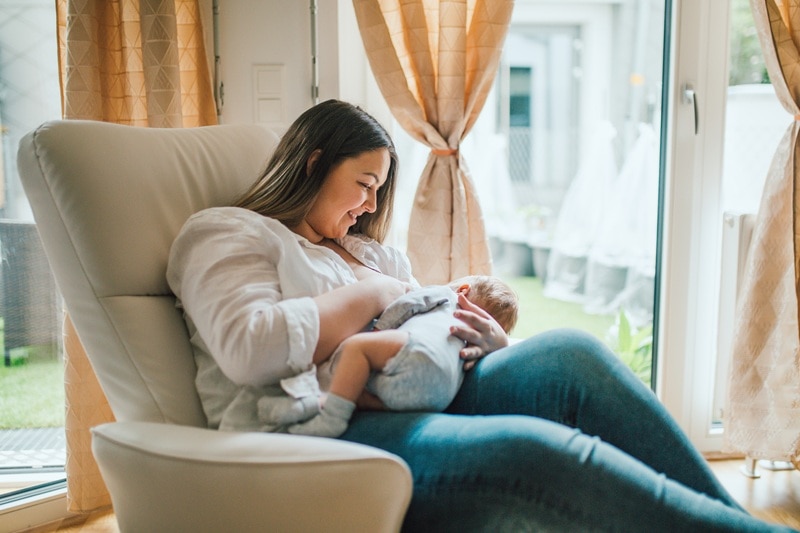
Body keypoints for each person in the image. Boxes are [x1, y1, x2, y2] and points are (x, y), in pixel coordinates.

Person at [166, 99, 795, 532]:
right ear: (313, 162)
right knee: (534, 451)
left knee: (573, 355)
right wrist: (373, 294)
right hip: (325, 427)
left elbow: (421, 326)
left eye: (380, 189)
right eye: (362, 182)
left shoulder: (368, 250)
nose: (370, 203)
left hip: (424, 389)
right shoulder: (228, 232)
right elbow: (249, 349)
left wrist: (486, 345)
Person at [261, 276, 518, 438]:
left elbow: (406, 305)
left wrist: (380, 332)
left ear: (464, 289)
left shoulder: (447, 295)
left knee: (357, 348)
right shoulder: (474, 344)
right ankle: (306, 407)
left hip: (420, 353)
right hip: (439, 395)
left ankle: (330, 419)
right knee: (355, 395)